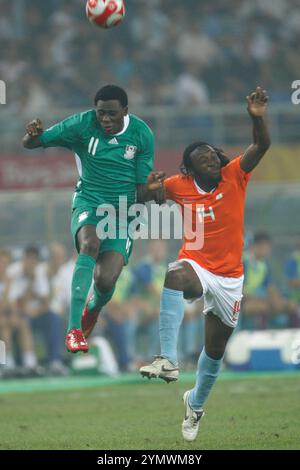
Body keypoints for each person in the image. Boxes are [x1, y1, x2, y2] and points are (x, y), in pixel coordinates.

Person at [140, 86, 271, 441]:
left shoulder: (235, 174)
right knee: (175, 274)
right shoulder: (179, 185)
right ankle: (167, 358)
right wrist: (147, 188)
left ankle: (195, 405)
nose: (210, 158)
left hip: (230, 278)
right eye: (201, 157)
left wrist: (256, 119)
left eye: (212, 153)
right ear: (190, 167)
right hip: (197, 266)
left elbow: (261, 147)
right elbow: (145, 196)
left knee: (214, 351)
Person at [23, 84, 164, 353]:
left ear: (126, 111)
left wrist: (154, 190)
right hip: (89, 201)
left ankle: (93, 309)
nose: (106, 120)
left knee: (106, 280)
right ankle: (74, 329)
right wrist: (32, 136)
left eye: (112, 114)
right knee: (89, 245)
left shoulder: (142, 134)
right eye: (101, 113)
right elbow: (33, 142)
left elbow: (141, 191)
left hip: (123, 211)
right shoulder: (81, 125)